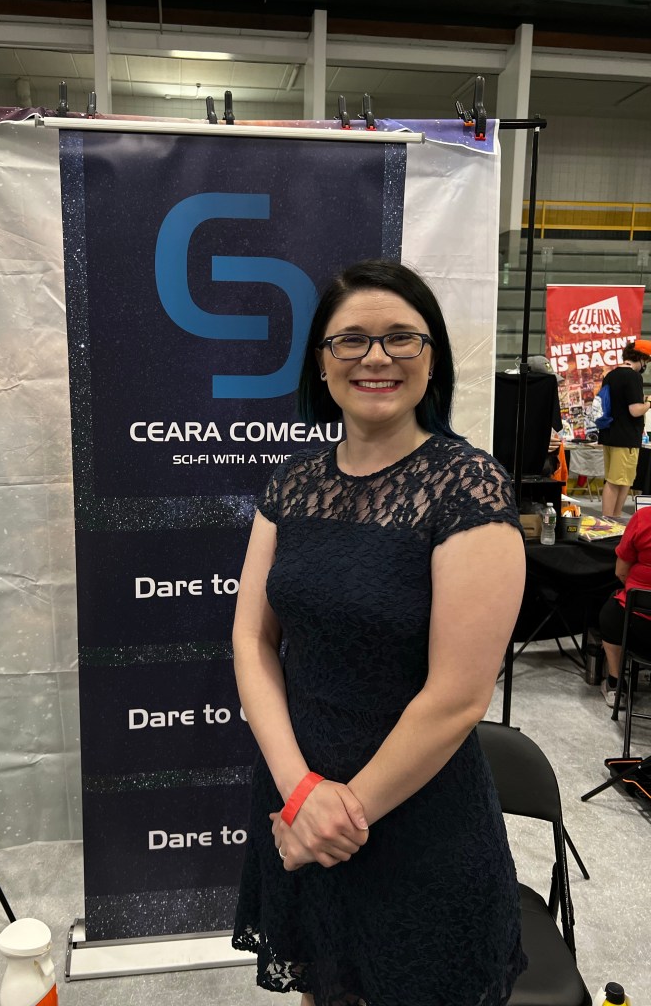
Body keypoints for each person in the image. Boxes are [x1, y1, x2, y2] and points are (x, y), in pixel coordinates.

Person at [231, 260, 528, 1006]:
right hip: (301, 796)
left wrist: (338, 815)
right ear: (321, 363)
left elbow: (457, 698)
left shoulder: (468, 488)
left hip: (417, 813)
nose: (376, 357)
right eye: (351, 340)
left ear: (432, 358)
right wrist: (301, 794)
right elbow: (252, 641)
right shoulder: (292, 485)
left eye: (401, 337)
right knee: (321, 986)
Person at [599, 506, 651, 708]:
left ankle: (615, 684)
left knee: (611, 613)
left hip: (639, 623)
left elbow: (621, 571)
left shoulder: (644, 517)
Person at [598, 339, 651, 518]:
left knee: (619, 480)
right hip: (626, 437)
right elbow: (635, 410)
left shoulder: (611, 375)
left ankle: (614, 519)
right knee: (617, 481)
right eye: (647, 360)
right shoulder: (633, 377)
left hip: (609, 434)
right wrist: (648, 403)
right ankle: (609, 520)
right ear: (641, 358)